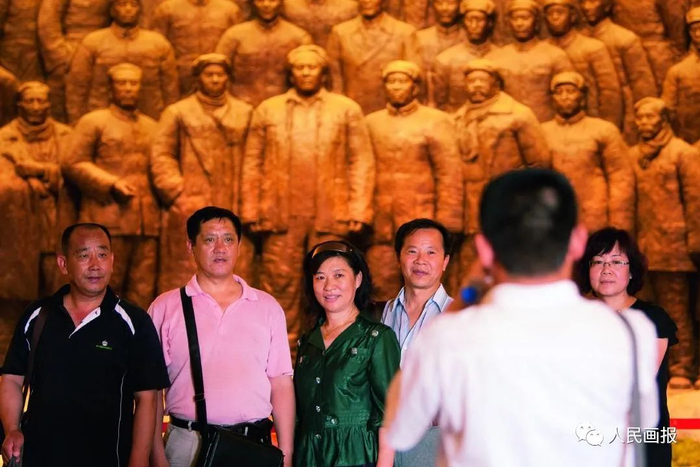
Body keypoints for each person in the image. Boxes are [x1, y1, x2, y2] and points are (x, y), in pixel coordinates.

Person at [384, 169, 660, 466]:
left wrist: (467, 294)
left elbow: (400, 429)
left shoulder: (447, 337)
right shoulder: (630, 332)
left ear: (484, 251)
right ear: (579, 241)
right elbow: (642, 425)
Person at [1, 223, 170, 467]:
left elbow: (147, 399)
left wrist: (138, 461)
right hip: (40, 457)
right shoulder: (37, 316)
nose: (95, 265)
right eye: (83, 256)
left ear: (112, 261)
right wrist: (12, 429)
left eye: (102, 255)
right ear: (63, 264)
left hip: (108, 459)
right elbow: (12, 379)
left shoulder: (134, 321)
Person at [241, 45, 374, 349]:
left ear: (323, 72)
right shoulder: (269, 110)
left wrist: (359, 208)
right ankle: (279, 349)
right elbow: (252, 162)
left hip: (330, 212)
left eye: (311, 67)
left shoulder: (345, 109)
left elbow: (360, 160)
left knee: (333, 283)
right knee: (280, 282)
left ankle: (333, 345)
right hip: (280, 214)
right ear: (291, 73)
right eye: (299, 67)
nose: (305, 73)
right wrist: (251, 209)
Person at [149, 206, 295, 467]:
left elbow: (281, 384)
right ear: (191, 246)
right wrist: (158, 457)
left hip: (252, 445)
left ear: (238, 246)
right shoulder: (165, 307)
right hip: (187, 445)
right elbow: (151, 390)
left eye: (228, 239)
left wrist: (286, 454)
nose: (220, 248)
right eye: (209, 239)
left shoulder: (267, 306)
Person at [151, 53, 254, 294]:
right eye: (209, 74)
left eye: (220, 74)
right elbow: (162, 154)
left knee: (234, 267)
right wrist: (177, 192)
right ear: (198, 78)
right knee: (184, 268)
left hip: (232, 200)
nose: (215, 79)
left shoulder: (245, 112)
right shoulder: (178, 112)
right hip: (190, 202)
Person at [576, 227, 677, 467]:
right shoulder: (579, 318)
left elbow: (637, 382)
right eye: (597, 261)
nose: (606, 269)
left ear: (632, 271)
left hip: (642, 442)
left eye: (616, 261)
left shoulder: (653, 319)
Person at [294, 240, 400, 467]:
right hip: (309, 458)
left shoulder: (376, 337)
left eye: (339, 275)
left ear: (358, 279)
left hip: (356, 457)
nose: (328, 286)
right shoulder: (308, 342)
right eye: (320, 277)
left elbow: (390, 412)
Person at [62, 63, 159, 310]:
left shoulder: (152, 127)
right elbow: (72, 162)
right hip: (107, 217)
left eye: (133, 83)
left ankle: (135, 331)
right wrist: (110, 183)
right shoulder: (93, 122)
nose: (128, 88)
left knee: (142, 289)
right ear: (111, 88)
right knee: (102, 285)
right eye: (122, 83)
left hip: (145, 223)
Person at [366, 60, 462, 301]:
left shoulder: (435, 121)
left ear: (415, 86)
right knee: (380, 281)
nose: (397, 86)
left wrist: (448, 221)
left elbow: (448, 171)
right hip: (381, 220)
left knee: (425, 284)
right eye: (391, 81)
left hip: (423, 216)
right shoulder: (371, 123)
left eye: (402, 81)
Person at [629, 97, 700, 390]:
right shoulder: (632, 155)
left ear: (664, 119)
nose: (645, 122)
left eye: (650, 117)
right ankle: (657, 367)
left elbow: (695, 200)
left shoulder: (682, 153)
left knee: (677, 309)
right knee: (647, 310)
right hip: (643, 246)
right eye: (640, 117)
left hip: (675, 247)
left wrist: (695, 240)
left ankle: (683, 366)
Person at [381, 219, 452, 466]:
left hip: (434, 440)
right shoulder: (380, 314)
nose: (421, 260)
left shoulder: (460, 318)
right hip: (382, 439)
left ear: (445, 261)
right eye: (412, 251)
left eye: (431, 252)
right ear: (398, 258)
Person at [542, 71, 634, 234]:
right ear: (552, 98)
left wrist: (619, 223)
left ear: (583, 96)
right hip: (556, 218)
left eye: (571, 91)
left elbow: (620, 178)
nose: (565, 97)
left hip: (595, 216)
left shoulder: (604, 130)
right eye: (559, 92)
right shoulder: (541, 132)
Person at [65, 0, 179, 123]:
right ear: (112, 10)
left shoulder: (158, 44)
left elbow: (170, 89)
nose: (128, 9)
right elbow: (77, 87)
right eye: (122, 4)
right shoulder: (93, 43)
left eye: (133, 5)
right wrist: (77, 123)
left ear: (140, 10)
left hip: (150, 121)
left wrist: (168, 124)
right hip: (101, 121)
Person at [579, 0, 657, 145]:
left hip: (623, 115)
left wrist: (634, 122)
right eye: (583, 2)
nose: (586, 7)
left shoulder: (624, 39)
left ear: (607, 6)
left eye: (593, 1)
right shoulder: (579, 39)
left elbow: (642, 85)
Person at [215, 0, 312, 107]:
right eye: (260, 0)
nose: (266, 5)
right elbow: (217, 70)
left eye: (272, 0)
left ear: (281, 2)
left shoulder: (298, 37)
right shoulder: (234, 35)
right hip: (241, 106)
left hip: (285, 107)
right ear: (252, 3)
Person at [326, 0, 416, 114]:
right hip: (352, 108)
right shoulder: (340, 32)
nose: (367, 1)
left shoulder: (404, 33)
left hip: (390, 110)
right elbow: (335, 79)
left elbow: (414, 77)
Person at [430, 0, 498, 112]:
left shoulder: (502, 58)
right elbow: (439, 106)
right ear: (463, 23)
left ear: (489, 23)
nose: (474, 25)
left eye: (479, 20)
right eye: (469, 20)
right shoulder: (445, 60)